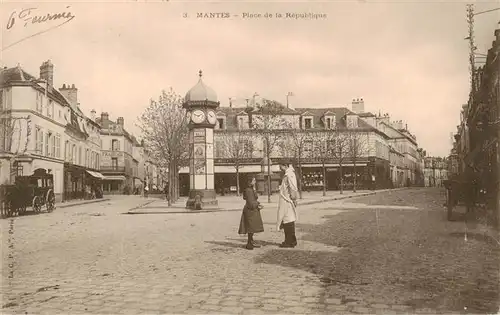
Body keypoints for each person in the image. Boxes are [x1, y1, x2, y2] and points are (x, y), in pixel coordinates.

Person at [276, 161, 299, 248]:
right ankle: (292, 240)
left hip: (287, 201)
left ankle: (288, 241)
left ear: (285, 165)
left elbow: (293, 187)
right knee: (289, 220)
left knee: (287, 221)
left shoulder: (289, 174)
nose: (280, 168)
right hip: (287, 200)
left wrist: (294, 199)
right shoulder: (289, 173)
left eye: (280, 166)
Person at [238, 177, 264, 250]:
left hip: (252, 210)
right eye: (254, 180)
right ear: (250, 182)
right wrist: (257, 205)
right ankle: (249, 243)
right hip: (250, 211)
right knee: (250, 228)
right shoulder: (248, 190)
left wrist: (254, 189)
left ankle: (250, 242)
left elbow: (255, 197)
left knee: (251, 228)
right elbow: (250, 203)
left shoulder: (251, 189)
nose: (255, 182)